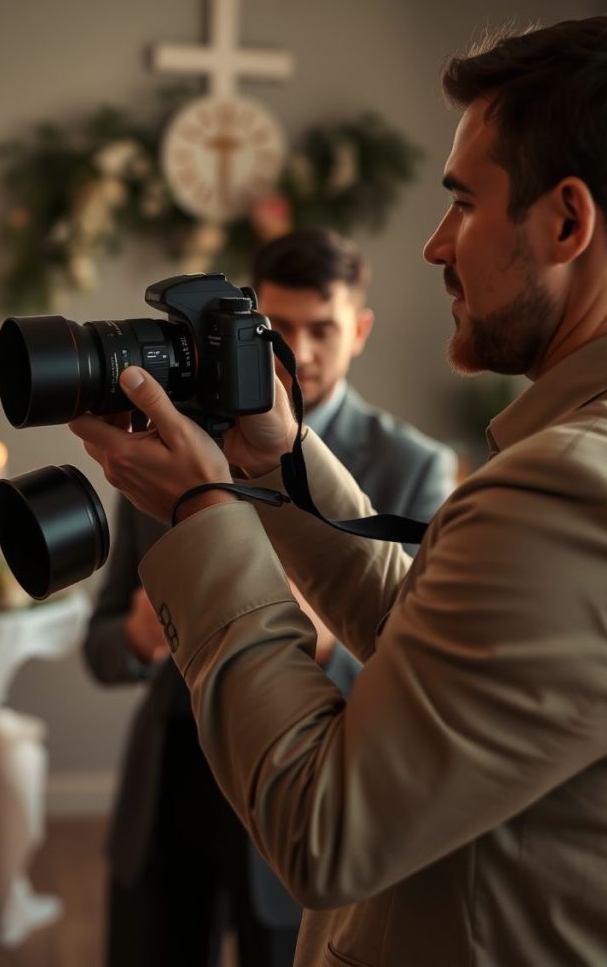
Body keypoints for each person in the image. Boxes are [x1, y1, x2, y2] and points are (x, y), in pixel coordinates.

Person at [71, 16, 607, 966]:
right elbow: (436, 639)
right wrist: (275, 456)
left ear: (567, 221)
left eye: (463, 203)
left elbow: (323, 830)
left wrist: (201, 517)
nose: (435, 245)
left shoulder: (584, 494)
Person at [83, 228, 457, 967]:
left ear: (360, 329)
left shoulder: (413, 468)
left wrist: (313, 635)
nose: (302, 353)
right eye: (277, 330)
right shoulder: (166, 443)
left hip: (308, 774)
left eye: (322, 329)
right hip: (172, 779)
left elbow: (423, 663)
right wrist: (133, 636)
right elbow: (99, 650)